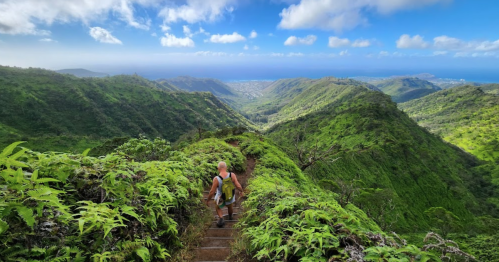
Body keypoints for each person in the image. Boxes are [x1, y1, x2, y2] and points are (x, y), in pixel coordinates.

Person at [206, 161, 244, 227]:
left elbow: (212, 191)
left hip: (220, 197)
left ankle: (221, 218)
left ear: (218, 168)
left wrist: (208, 200)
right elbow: (238, 186)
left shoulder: (216, 179)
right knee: (230, 207)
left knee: (218, 207)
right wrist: (241, 191)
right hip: (230, 196)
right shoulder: (232, 175)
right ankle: (230, 216)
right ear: (226, 167)